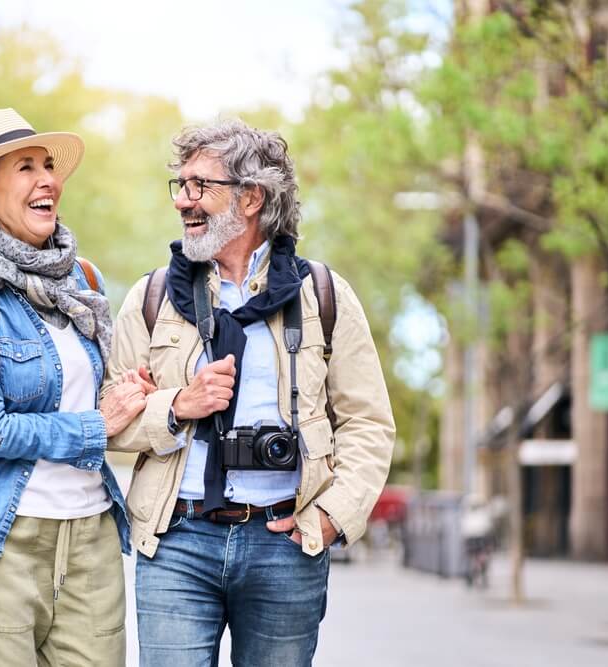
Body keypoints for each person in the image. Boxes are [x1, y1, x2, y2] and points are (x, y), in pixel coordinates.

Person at [104, 118, 396, 666]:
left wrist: (331, 516)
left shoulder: (323, 296)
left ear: (252, 198)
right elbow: (108, 423)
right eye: (181, 185)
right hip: (177, 542)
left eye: (200, 186)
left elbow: (369, 423)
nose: (183, 201)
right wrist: (177, 407)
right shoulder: (152, 297)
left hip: (286, 542)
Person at [0, 108, 145, 667]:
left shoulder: (84, 283)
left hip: (90, 538)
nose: (47, 179)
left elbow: (100, 395)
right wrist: (97, 425)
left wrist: (136, 393)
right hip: (0, 538)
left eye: (48, 166)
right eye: (24, 168)